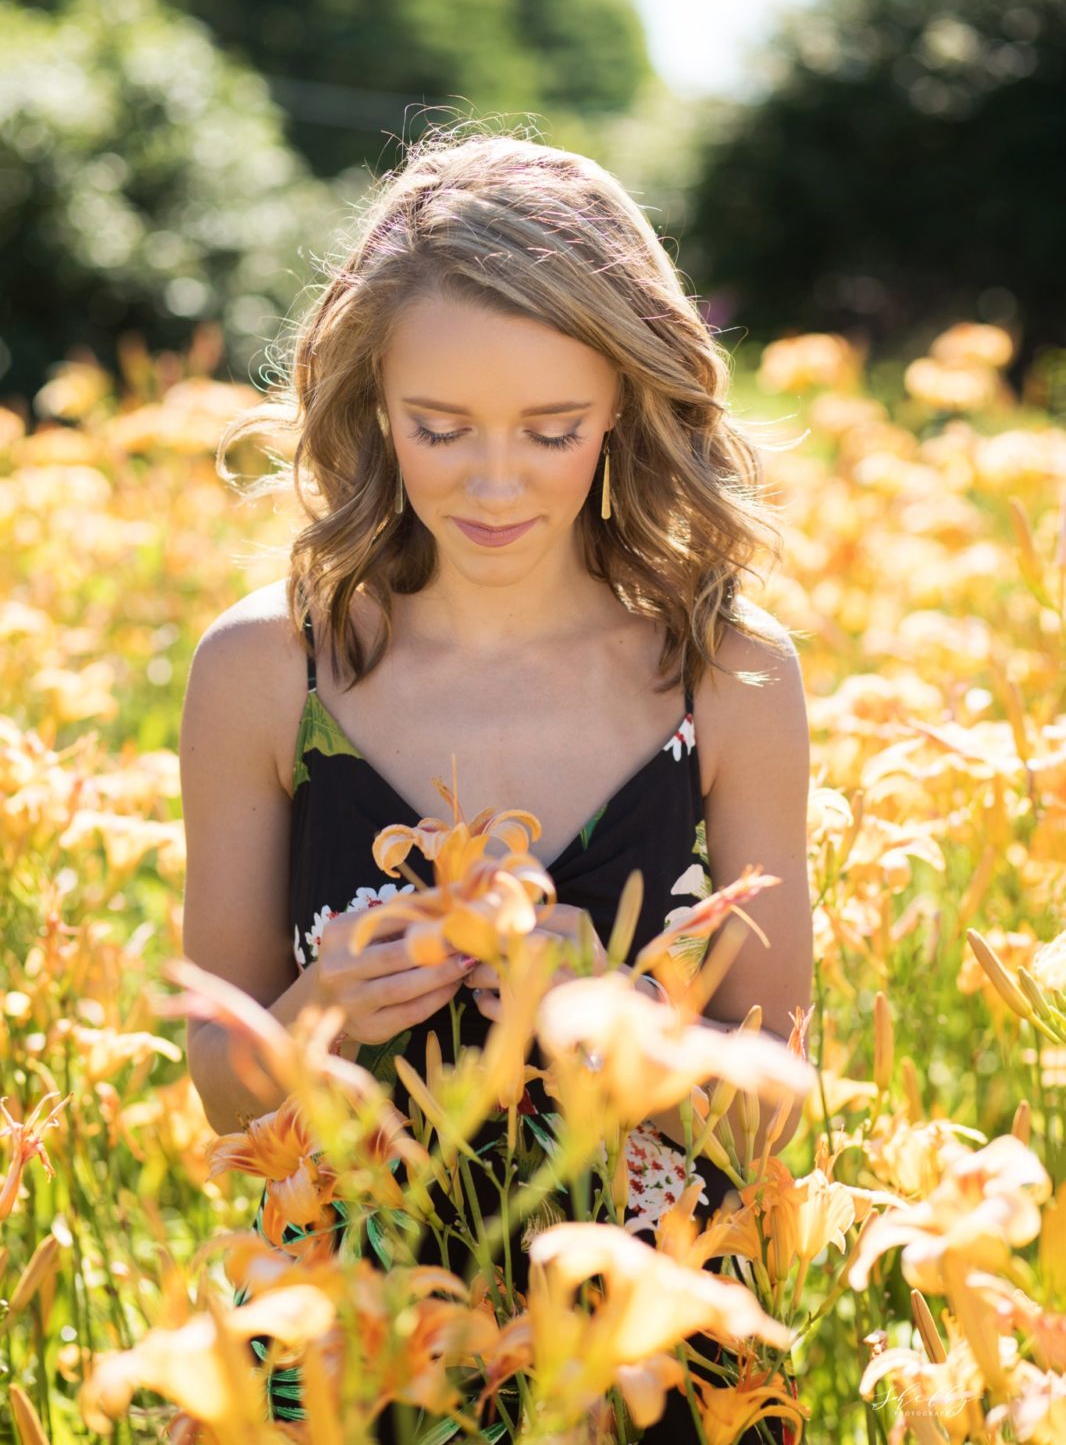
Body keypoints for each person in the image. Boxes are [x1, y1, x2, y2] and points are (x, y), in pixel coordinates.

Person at [179, 128, 814, 1442]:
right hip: (342, 1347)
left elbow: (771, 1119)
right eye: (439, 427)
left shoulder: (728, 672)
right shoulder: (261, 666)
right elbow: (222, 1091)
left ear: (630, 408)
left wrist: (613, 1025)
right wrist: (324, 1012)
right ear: (368, 406)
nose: (491, 479)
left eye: (549, 429)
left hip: (645, 1361)